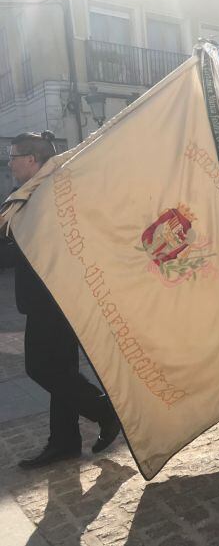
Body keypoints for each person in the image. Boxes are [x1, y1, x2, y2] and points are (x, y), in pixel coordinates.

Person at [8, 131, 120, 468]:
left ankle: (104, 411)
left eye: (13, 155)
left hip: (54, 300)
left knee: (40, 367)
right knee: (62, 371)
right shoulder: (31, 191)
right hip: (53, 299)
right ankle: (65, 440)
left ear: (32, 160)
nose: (9, 161)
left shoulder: (45, 193)